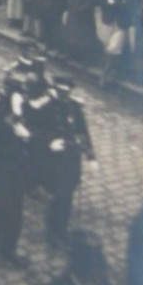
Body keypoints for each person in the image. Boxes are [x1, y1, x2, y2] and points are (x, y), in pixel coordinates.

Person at [33, 74, 97, 246]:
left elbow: (83, 131)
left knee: (67, 196)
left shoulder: (75, 107)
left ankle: (60, 230)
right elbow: (32, 131)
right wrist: (49, 142)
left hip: (71, 159)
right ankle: (55, 232)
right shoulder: (45, 107)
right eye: (60, 91)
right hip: (52, 160)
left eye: (66, 92)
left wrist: (90, 156)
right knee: (60, 197)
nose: (63, 95)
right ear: (55, 89)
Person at [0, 73, 31, 269]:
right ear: (9, 90)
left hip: (17, 161)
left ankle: (0, 245)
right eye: (19, 91)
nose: (22, 95)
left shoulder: (22, 105)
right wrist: (14, 117)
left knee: (14, 207)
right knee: (8, 209)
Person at [99, 0, 137, 86]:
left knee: (114, 48)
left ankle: (107, 75)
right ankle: (112, 73)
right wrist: (109, 2)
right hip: (109, 19)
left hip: (122, 21)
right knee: (107, 46)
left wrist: (114, 2)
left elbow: (129, 2)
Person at [62, 0, 100, 66]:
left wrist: (82, 9)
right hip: (74, 12)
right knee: (74, 36)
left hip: (84, 15)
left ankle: (87, 61)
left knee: (86, 37)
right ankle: (76, 57)